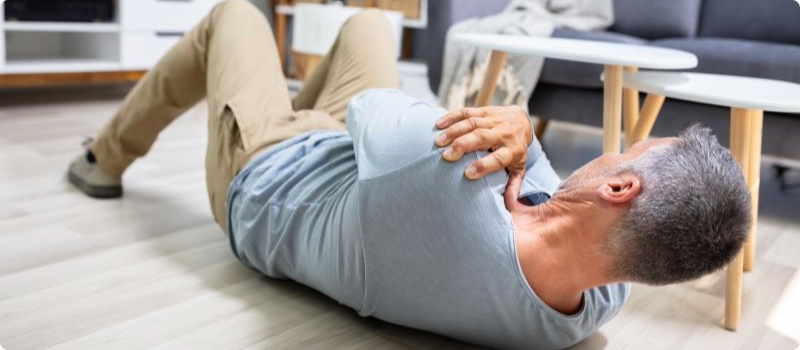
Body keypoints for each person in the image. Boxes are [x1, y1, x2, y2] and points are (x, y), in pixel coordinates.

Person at [66, 2, 752, 349]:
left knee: (234, 15)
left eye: (625, 151)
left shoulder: (443, 181)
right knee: (370, 21)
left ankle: (104, 157)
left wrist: (513, 122)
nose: (610, 152)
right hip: (361, 169)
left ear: (618, 188)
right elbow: (538, 197)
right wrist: (521, 144)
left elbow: (371, 109)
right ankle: (276, 102)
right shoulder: (591, 308)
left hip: (267, 177)